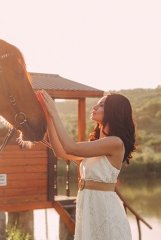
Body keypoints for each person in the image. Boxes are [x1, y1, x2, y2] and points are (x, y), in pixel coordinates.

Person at [37, 90, 136, 240]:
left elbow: (71, 147)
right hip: (89, 207)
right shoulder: (97, 145)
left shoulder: (115, 142)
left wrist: (55, 112)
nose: (94, 107)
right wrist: (49, 118)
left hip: (104, 211)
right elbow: (61, 152)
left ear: (114, 111)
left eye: (101, 105)